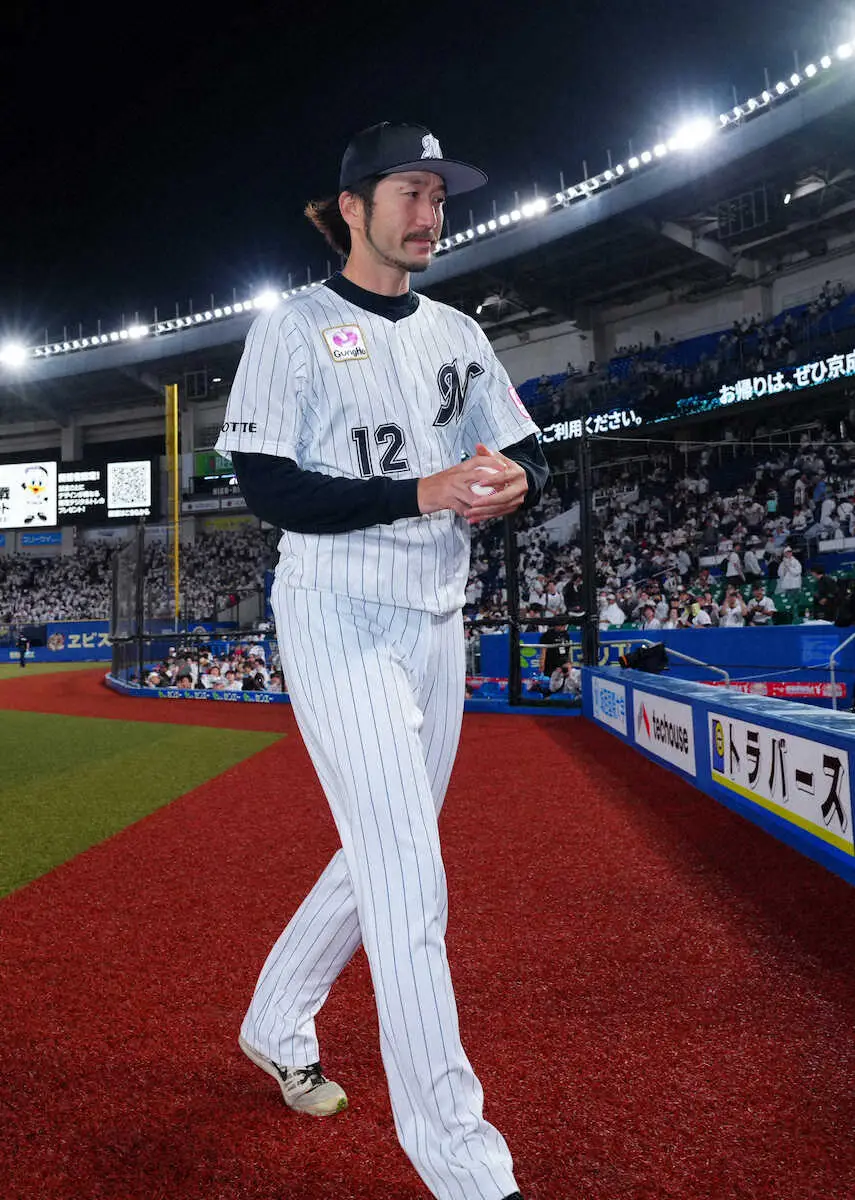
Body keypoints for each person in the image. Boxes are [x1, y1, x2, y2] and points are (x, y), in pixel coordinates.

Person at [216, 122, 546, 1200]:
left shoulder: (457, 328)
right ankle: (464, 1166)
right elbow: (269, 489)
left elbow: (508, 462)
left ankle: (275, 1021)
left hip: (433, 613)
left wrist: (508, 489)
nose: (430, 213)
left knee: (381, 854)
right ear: (352, 204)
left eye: (441, 198)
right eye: (411, 191)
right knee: (410, 881)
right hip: (338, 611)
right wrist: (424, 491)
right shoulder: (296, 327)